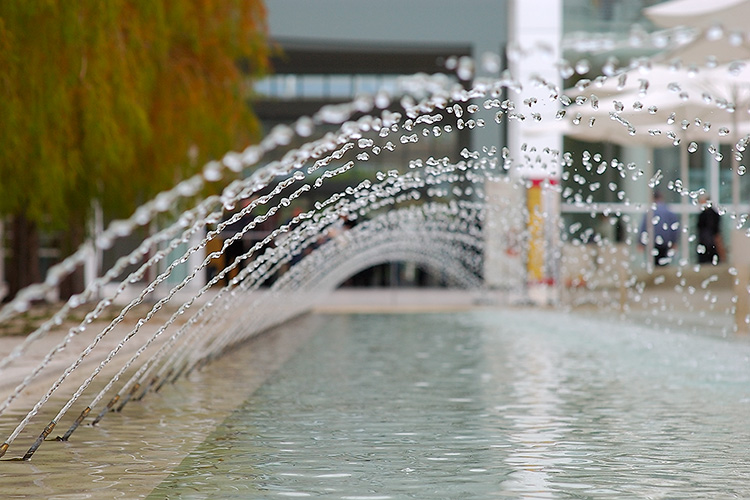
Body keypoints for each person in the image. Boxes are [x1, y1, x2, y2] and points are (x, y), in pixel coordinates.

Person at [639, 191, 679, 266]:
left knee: (653, 263)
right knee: (664, 263)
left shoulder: (649, 212)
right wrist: (674, 241)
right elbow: (674, 227)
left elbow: (644, 227)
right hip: (665, 241)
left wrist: (641, 242)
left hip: (652, 241)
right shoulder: (668, 211)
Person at [696, 194, 725, 265]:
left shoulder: (707, 215)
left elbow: (715, 231)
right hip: (710, 244)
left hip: (708, 244)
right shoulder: (712, 214)